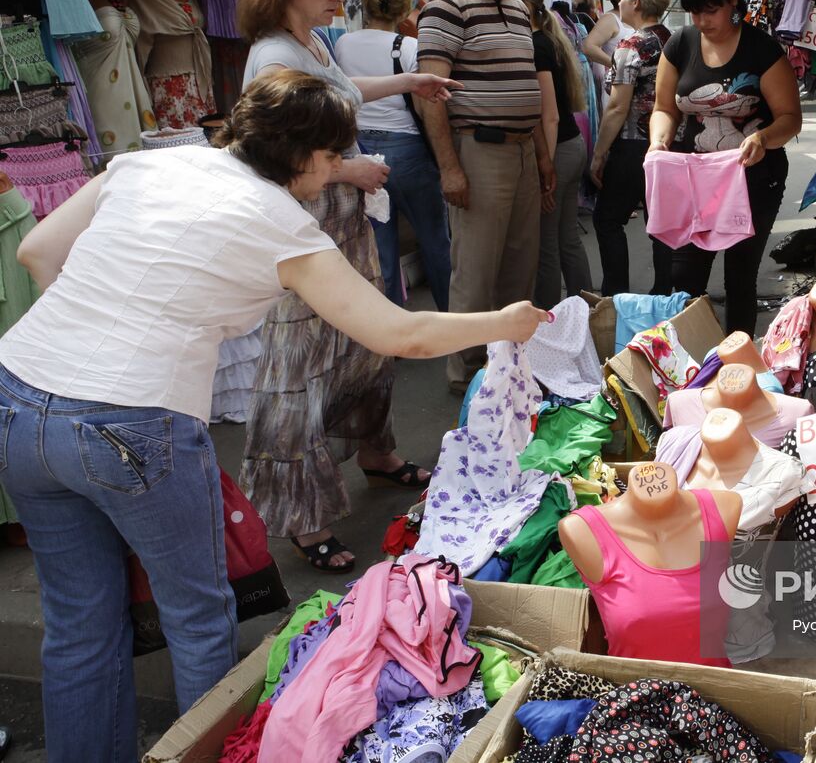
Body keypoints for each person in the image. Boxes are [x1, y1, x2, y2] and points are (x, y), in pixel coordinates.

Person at [0, 71, 548, 762]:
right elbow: (397, 335)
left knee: (78, 625)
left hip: (18, 395)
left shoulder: (144, 163)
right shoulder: (280, 221)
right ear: (305, 156)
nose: (333, 172)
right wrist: (502, 319)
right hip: (133, 422)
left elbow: (36, 252)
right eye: (331, 158)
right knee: (199, 617)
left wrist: (84, 351)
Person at [235, 0, 459, 572]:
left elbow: (338, 95)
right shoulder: (273, 56)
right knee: (298, 368)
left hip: (341, 218)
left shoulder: (309, 41)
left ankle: (377, 452)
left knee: (365, 346)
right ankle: (303, 517)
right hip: (307, 223)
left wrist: (407, 83)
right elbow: (270, 152)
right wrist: (349, 169)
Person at [417, 0, 553, 390]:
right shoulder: (447, 4)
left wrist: (539, 155)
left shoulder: (516, 5)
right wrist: (449, 167)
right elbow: (429, 92)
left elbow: (525, 87)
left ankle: (507, 367)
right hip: (478, 151)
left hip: (519, 155)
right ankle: (465, 373)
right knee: (475, 271)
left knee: (519, 267)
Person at [650, 0, 802, 336]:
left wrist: (763, 138)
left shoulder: (761, 50)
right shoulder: (680, 44)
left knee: (739, 275)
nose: (703, 21)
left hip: (751, 177)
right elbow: (664, 108)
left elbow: (790, 118)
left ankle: (738, 366)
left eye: (711, 11)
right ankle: (685, 361)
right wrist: (660, 138)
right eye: (695, 13)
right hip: (694, 179)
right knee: (684, 276)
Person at [334, 0, 454, 312]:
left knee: (381, 249)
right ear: (404, 8)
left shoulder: (343, 44)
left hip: (363, 152)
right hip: (408, 151)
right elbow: (424, 106)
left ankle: (389, 330)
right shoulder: (410, 47)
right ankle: (449, 319)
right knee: (435, 243)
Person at [505, 0, 594, 307]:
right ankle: (584, 310)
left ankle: (548, 321)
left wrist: (547, 169)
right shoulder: (548, 39)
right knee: (566, 238)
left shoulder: (536, 44)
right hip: (571, 146)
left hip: (558, 149)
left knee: (548, 245)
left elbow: (550, 115)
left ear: (524, 5)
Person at [589, 0, 676, 296]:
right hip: (667, 144)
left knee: (607, 219)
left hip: (631, 146)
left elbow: (616, 108)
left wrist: (599, 154)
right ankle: (665, 294)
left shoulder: (631, 47)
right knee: (661, 225)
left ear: (635, 3)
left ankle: (616, 296)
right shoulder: (671, 39)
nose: (619, 4)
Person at [582, 0, 633, 69]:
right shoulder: (610, 19)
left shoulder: (635, 17)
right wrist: (617, 65)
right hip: (619, 79)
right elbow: (588, 47)